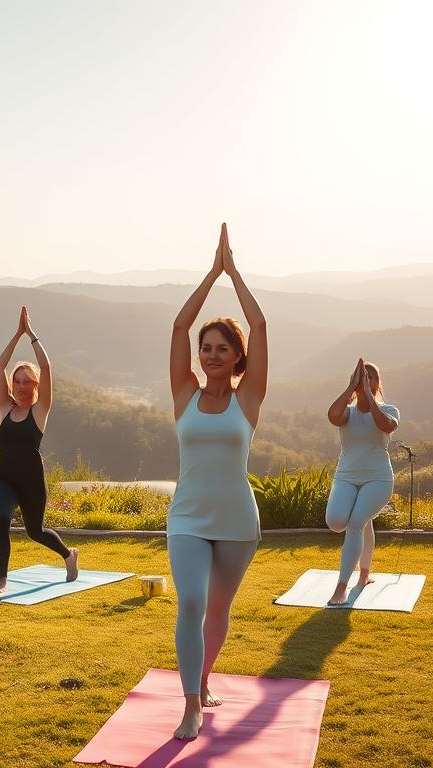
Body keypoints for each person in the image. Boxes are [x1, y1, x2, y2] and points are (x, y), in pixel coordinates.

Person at [166, 223, 267, 740]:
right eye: (206, 347)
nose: (209, 354)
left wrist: (237, 273)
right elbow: (179, 327)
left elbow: (261, 324)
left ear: (237, 356)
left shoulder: (246, 400)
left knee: (219, 608)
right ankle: (189, 704)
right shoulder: (183, 394)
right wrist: (212, 273)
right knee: (190, 602)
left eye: (221, 348)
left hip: (235, 520)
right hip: (186, 517)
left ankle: (203, 678)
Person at [0, 306, 76, 595]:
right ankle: (2, 581)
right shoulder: (5, 408)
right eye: (18, 380)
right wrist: (16, 335)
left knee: (35, 531)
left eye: (27, 381)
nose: (21, 385)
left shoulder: (39, 411)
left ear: (36, 386)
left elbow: (48, 368)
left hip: (31, 481)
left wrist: (32, 336)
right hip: (5, 478)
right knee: (1, 520)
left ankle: (68, 554)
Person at [324, 359, 399, 605]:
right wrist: (351, 389)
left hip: (378, 479)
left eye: (372, 377)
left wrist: (368, 394)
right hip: (346, 476)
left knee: (356, 522)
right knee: (336, 522)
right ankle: (365, 573)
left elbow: (384, 426)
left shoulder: (389, 410)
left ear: (379, 383)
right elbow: (332, 416)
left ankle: (342, 587)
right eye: (362, 377)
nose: (367, 380)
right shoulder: (347, 412)